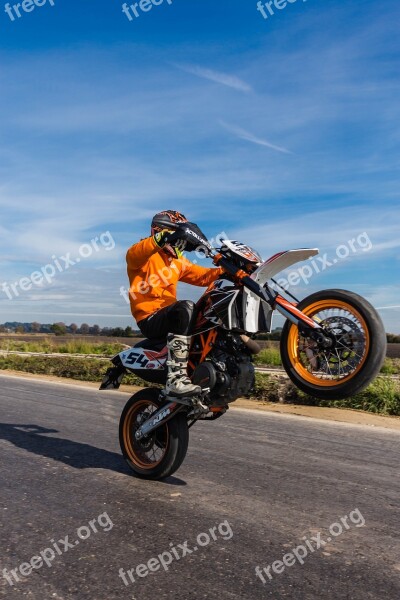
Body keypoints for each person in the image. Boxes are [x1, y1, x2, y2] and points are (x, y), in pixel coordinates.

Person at [126, 210, 223, 397]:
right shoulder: (142, 254)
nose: (180, 242)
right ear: (158, 230)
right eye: (175, 233)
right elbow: (134, 254)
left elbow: (203, 276)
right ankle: (175, 378)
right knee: (186, 306)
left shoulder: (176, 262)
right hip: (150, 317)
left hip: (169, 316)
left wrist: (228, 270)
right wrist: (166, 236)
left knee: (208, 310)